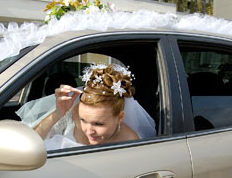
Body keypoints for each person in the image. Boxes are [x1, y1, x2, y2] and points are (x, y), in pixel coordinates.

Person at [18, 64, 156, 150]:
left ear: (120, 117)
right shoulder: (74, 111)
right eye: (83, 120)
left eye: (98, 123)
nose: (88, 131)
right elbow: (30, 143)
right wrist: (58, 113)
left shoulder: (131, 143)